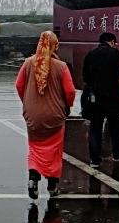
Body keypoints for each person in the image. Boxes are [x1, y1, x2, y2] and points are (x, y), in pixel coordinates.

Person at [16, 31, 76, 199]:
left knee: (35, 149)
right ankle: (52, 186)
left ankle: (33, 179)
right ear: (55, 45)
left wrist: (27, 103)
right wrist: (67, 107)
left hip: (32, 115)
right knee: (54, 150)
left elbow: (19, 85)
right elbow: (70, 91)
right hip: (55, 115)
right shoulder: (61, 67)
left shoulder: (28, 63)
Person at [82, 32, 119, 169]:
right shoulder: (114, 53)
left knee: (95, 128)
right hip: (111, 97)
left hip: (94, 98)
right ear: (111, 41)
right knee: (114, 127)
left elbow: (85, 77)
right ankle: (117, 154)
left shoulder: (90, 54)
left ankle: (94, 159)